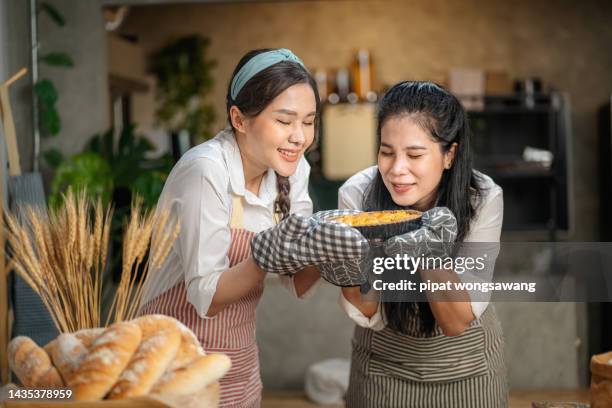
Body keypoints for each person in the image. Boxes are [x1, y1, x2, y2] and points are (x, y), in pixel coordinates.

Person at [140, 48, 327, 408]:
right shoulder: (206, 170)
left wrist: (329, 254)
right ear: (239, 119)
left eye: (309, 121)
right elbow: (205, 297)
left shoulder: (293, 168)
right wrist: (263, 255)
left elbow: (294, 280)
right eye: (285, 121)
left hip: (239, 361)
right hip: (172, 362)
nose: (300, 137)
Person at [334, 81, 508, 407]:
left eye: (415, 154)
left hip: (467, 368)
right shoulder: (356, 195)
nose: (397, 170)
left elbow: (455, 321)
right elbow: (364, 306)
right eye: (387, 152)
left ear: (449, 154)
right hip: (382, 370)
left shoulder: (482, 198)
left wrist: (424, 246)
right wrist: (348, 257)